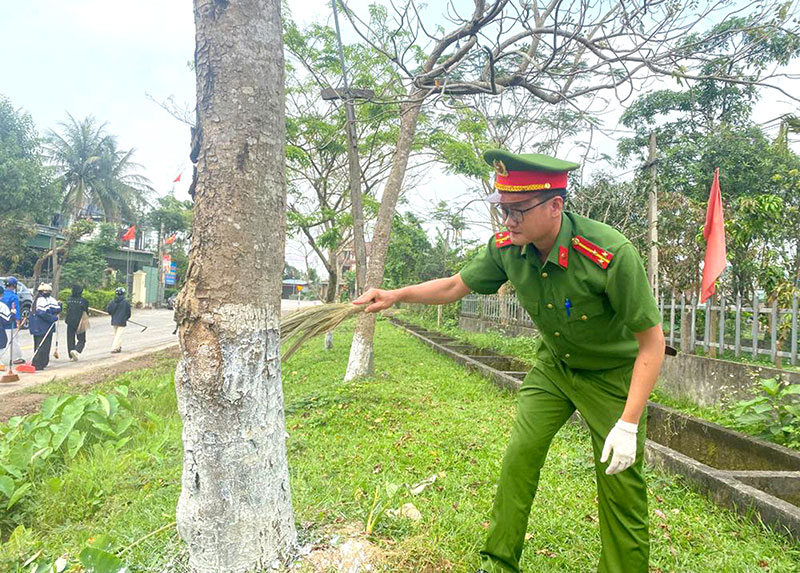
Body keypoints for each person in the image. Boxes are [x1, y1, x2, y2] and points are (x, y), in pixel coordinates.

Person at [353, 150, 666, 573]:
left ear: (555, 205)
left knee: (620, 482)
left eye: (518, 210)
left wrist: (627, 424)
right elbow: (454, 286)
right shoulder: (507, 249)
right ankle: (498, 562)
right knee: (521, 455)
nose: (508, 221)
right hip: (554, 370)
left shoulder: (608, 253)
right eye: (503, 209)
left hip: (613, 377)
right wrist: (395, 295)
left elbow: (652, 344)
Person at [29, 283, 61, 371]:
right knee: (41, 345)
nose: (47, 292)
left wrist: (59, 307)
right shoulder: (40, 300)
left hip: (43, 326)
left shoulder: (47, 299)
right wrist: (52, 318)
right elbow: (42, 313)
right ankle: (37, 363)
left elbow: (56, 309)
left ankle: (43, 362)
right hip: (40, 326)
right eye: (45, 291)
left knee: (45, 345)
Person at [1, 277, 24, 365]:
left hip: (1, 321)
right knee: (14, 340)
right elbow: (16, 309)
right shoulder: (13, 296)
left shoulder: (2, 295)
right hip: (10, 322)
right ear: (14, 285)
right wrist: (18, 321)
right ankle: (16, 358)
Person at [65, 284, 90, 361]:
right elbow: (86, 311)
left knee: (70, 338)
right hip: (80, 322)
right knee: (82, 339)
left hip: (69, 321)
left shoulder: (69, 300)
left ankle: (71, 355)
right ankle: (76, 350)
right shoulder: (84, 301)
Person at [107, 287, 131, 353]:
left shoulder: (112, 302)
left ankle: (118, 347)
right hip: (122, 321)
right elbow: (128, 312)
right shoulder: (125, 303)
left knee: (116, 335)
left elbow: (109, 310)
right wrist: (126, 318)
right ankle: (114, 348)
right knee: (118, 335)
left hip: (114, 321)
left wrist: (113, 315)